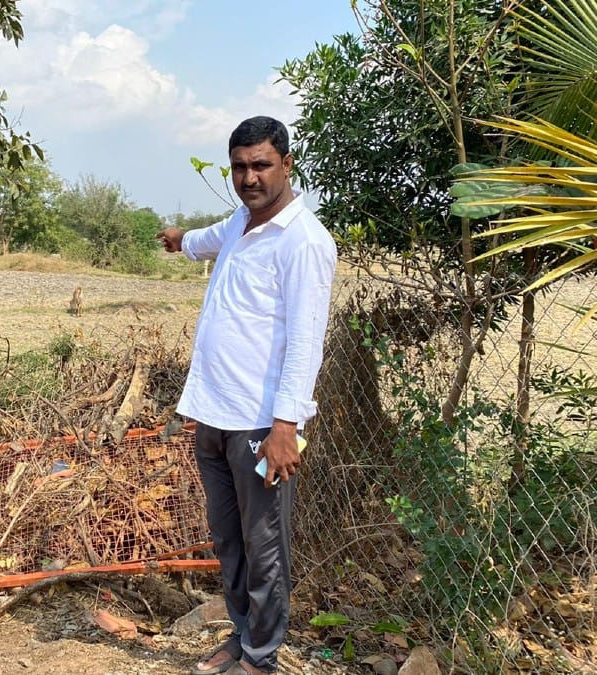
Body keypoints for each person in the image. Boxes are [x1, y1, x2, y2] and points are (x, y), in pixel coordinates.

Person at [156, 116, 336, 675]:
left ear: (286, 164)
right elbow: (206, 238)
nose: (249, 177)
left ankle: (261, 657)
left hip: (262, 426)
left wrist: (287, 427)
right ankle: (240, 635)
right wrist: (179, 241)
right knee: (228, 541)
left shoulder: (304, 242)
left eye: (261, 165)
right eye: (239, 166)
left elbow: (306, 343)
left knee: (264, 549)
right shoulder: (241, 223)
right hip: (212, 414)